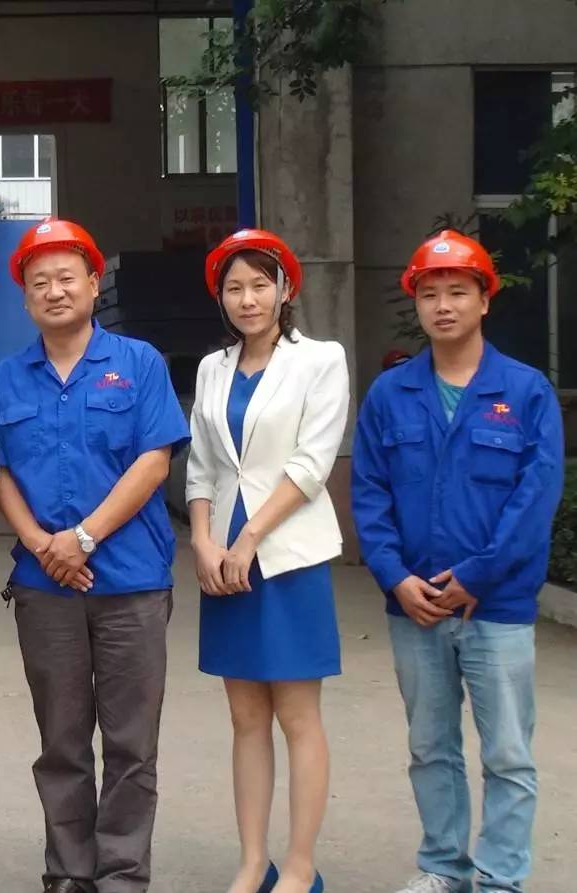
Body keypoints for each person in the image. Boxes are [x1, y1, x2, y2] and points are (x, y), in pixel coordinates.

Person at [351, 230, 564, 893]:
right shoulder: (390, 394)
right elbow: (369, 494)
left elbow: (534, 499)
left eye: (457, 292)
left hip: (496, 607)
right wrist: (394, 577)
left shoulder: (524, 391)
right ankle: (443, 866)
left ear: (483, 300)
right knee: (430, 747)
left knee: (507, 753)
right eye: (429, 294)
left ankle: (499, 876)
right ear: (416, 304)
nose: (443, 306)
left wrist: (476, 575)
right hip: (413, 606)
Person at [0, 218, 190, 893]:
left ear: (94, 284)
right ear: (25, 297)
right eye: (38, 281)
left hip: (131, 582)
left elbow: (154, 460)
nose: (54, 290)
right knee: (61, 742)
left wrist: (83, 537)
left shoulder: (139, 363)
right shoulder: (8, 378)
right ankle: (69, 873)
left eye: (66, 277)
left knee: (131, 743)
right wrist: (41, 544)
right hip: (45, 586)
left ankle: (122, 874)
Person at [187, 229, 349, 893]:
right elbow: (201, 466)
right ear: (220, 297)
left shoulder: (321, 360)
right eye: (234, 287)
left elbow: (311, 464)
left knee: (297, 716)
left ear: (285, 290)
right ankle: (253, 861)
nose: (247, 299)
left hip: (287, 556)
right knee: (245, 718)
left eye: (260, 284)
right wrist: (203, 540)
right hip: (223, 557)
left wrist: (250, 536)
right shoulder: (211, 368)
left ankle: (301, 866)